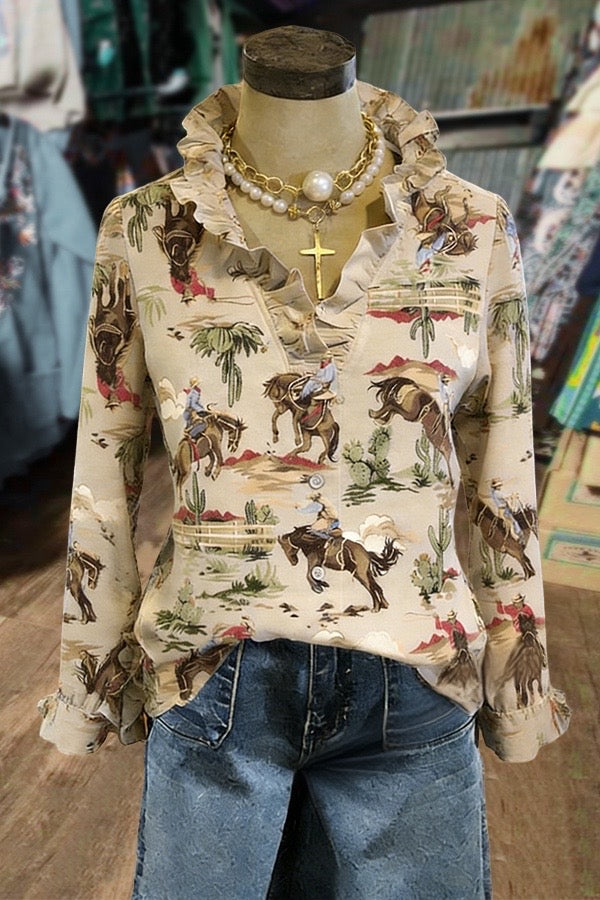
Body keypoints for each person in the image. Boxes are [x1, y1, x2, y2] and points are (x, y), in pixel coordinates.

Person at [37, 25, 570, 900]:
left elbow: (502, 461)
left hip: (417, 679)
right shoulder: (144, 227)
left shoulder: (474, 227)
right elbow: (105, 462)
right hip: (215, 677)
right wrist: (91, 673)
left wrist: (519, 670)